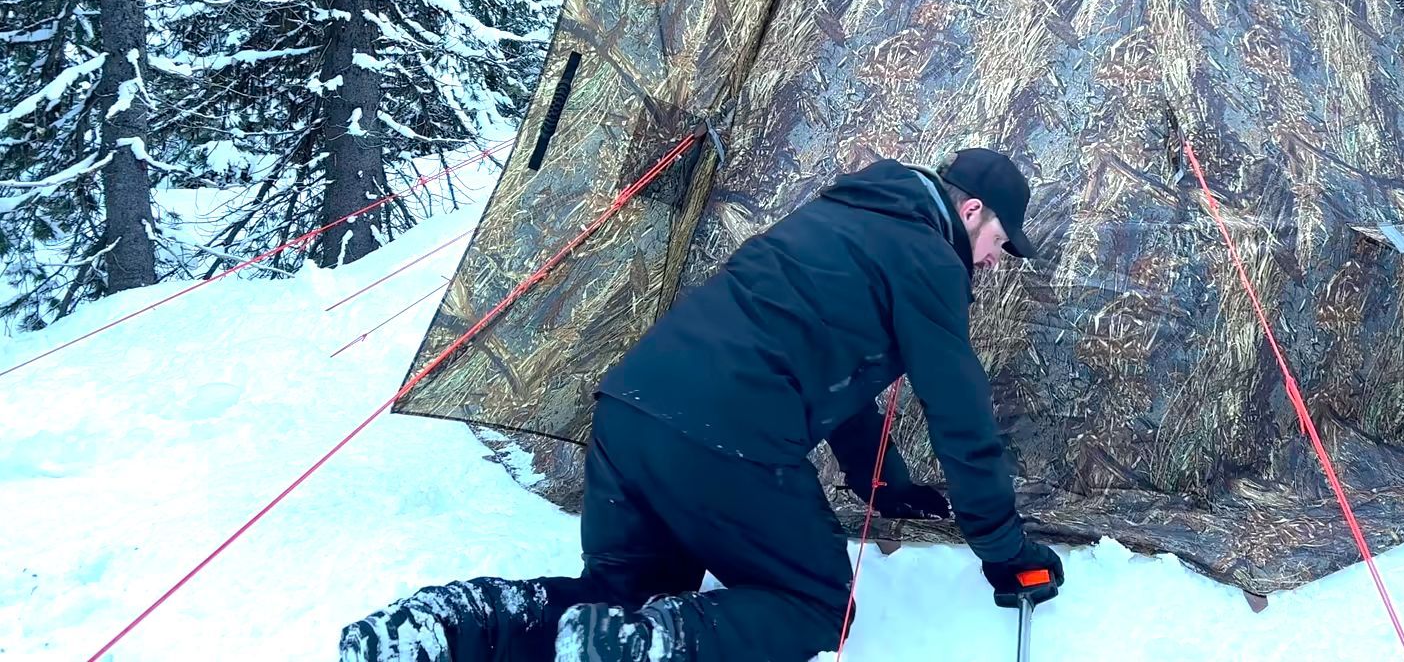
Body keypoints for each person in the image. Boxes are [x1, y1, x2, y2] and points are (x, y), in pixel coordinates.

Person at [342, 148, 1064, 662]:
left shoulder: (841, 219)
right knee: (814, 604)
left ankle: (452, 626)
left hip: (629, 410)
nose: (995, 259)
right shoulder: (931, 258)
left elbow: (833, 373)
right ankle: (641, 651)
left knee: (622, 594)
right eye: (1000, 241)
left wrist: (883, 484)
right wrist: (1007, 555)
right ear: (971, 211)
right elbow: (962, 419)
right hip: (726, 436)